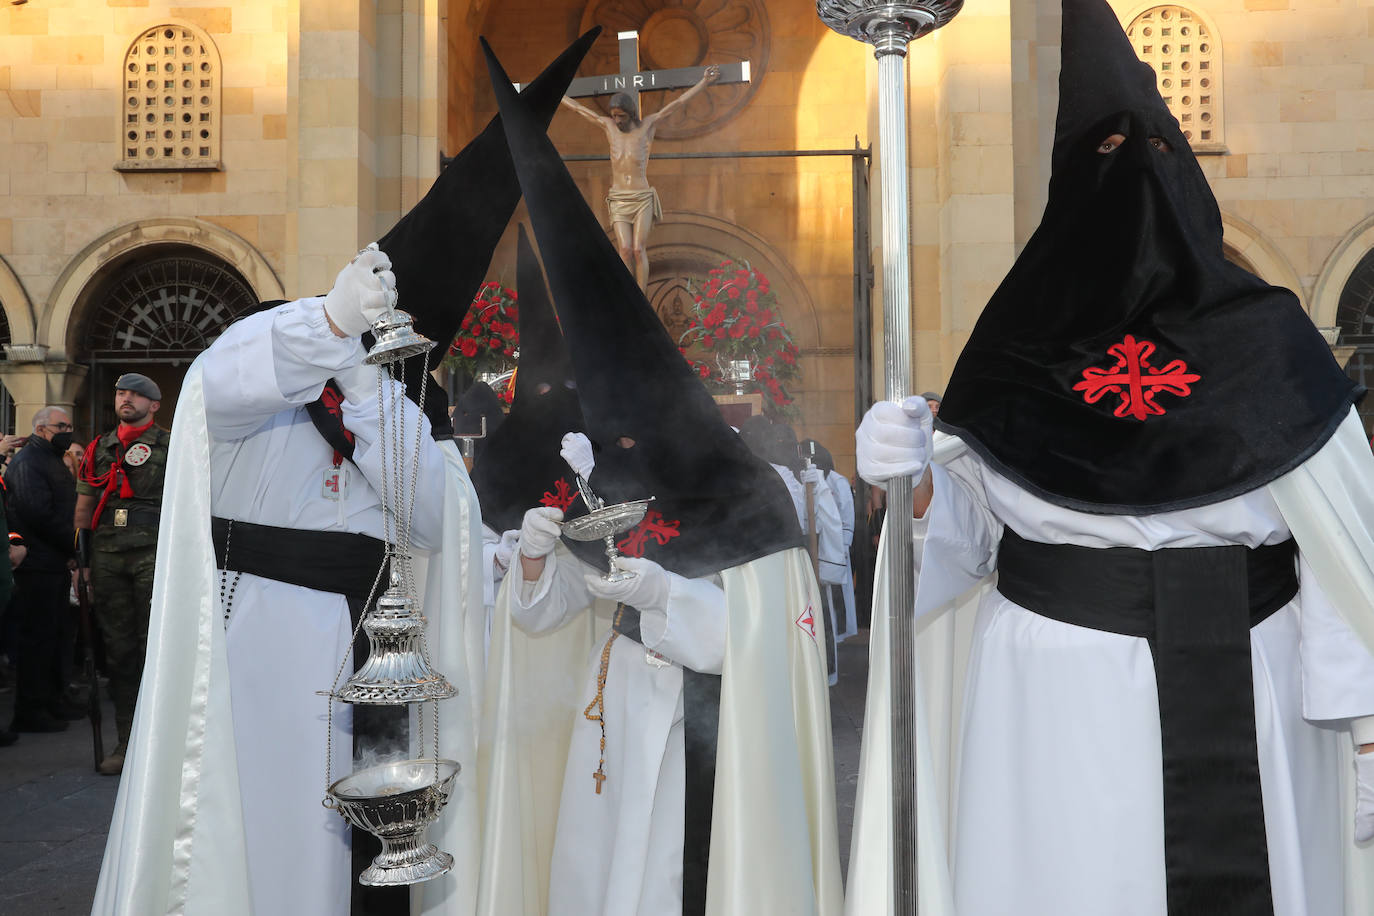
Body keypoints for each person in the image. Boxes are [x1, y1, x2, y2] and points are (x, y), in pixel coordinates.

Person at [846, 2, 1374, 914]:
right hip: (1053, 690)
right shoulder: (1015, 345)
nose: (1130, 175)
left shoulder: (1271, 338)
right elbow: (966, 547)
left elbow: (1339, 549)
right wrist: (918, 480)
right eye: (1101, 153)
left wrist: (1363, 724)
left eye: (1154, 152)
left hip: (1256, 681)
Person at [92, 33, 596, 916]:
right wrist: (331, 327)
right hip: (264, 639)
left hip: (373, 656)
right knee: (266, 846)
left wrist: (370, 395)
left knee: (361, 862)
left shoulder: (402, 402)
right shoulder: (284, 345)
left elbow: (434, 515)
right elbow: (220, 385)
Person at [479, 44, 842, 916]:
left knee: (670, 877)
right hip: (612, 714)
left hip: (697, 730)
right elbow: (550, 613)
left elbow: (758, 641)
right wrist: (536, 561)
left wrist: (665, 598)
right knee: (603, 876)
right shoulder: (601, 471)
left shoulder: (746, 495)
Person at [74, 372, 170, 775]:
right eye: (120, 394)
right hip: (108, 556)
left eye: (136, 394)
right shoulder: (100, 448)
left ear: (154, 404)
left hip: (154, 553)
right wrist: (78, 563)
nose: (126, 399)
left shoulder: (170, 444)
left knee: (156, 649)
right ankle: (127, 743)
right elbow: (84, 506)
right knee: (120, 652)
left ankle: (162, 744)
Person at [559, 65, 719, 290]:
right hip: (618, 198)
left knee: (637, 248)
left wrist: (703, 83)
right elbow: (579, 110)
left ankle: (641, 295)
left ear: (631, 114)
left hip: (641, 196)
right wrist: (557, 93)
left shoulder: (647, 126)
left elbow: (678, 103)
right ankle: (629, 294)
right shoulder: (608, 127)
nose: (617, 121)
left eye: (621, 116)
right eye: (614, 116)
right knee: (624, 250)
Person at [4, 406, 79, 734]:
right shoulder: (29, 463)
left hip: (54, 562)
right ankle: (31, 709)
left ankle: (52, 698)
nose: (67, 430)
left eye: (69, 425)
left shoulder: (50, 459)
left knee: (54, 637)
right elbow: (38, 513)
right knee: (37, 639)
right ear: (41, 428)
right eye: (60, 425)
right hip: (37, 564)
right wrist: (74, 544)